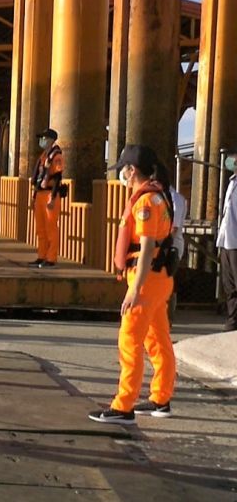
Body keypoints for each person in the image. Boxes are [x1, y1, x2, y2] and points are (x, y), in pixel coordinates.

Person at [88, 144, 177, 424]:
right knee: (158, 339)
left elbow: (148, 246)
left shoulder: (145, 202)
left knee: (130, 341)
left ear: (131, 170)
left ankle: (123, 405)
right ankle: (161, 399)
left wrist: (134, 290)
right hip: (160, 278)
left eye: (123, 171)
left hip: (146, 277)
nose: (121, 176)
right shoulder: (160, 196)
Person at [29, 127, 64, 268]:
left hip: (50, 194)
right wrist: (35, 195)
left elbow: (57, 177)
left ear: (51, 140)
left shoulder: (57, 157)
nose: (41, 140)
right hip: (40, 194)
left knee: (51, 228)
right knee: (41, 228)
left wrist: (53, 197)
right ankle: (41, 256)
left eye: (44, 138)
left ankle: (51, 258)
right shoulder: (44, 155)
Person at [217, 146, 237, 332]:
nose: (230, 161)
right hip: (227, 240)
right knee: (228, 284)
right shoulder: (232, 182)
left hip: (236, 242)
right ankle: (233, 320)